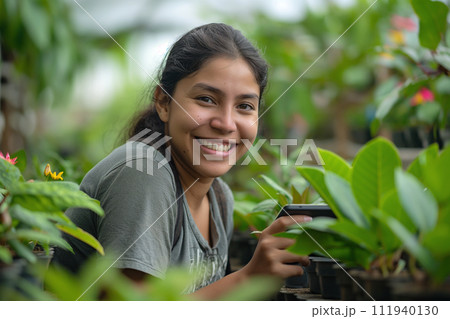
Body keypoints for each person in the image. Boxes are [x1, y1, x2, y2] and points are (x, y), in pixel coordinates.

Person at [52, 23, 311, 300]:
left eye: (245, 106)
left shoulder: (220, 198)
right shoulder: (143, 170)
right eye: (206, 99)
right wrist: (249, 277)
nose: (225, 124)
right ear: (164, 103)